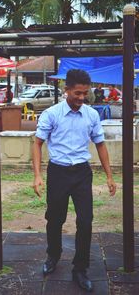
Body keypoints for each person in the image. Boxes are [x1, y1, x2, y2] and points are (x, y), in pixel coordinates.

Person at [32, 69, 116, 292]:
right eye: (77, 93)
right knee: (55, 218)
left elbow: (100, 144)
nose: (81, 98)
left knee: (86, 221)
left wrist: (109, 175)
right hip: (58, 172)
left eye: (85, 94)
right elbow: (37, 144)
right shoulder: (51, 114)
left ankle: (80, 267)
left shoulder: (91, 115)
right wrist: (38, 175)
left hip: (81, 173)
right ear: (66, 90)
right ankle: (53, 255)